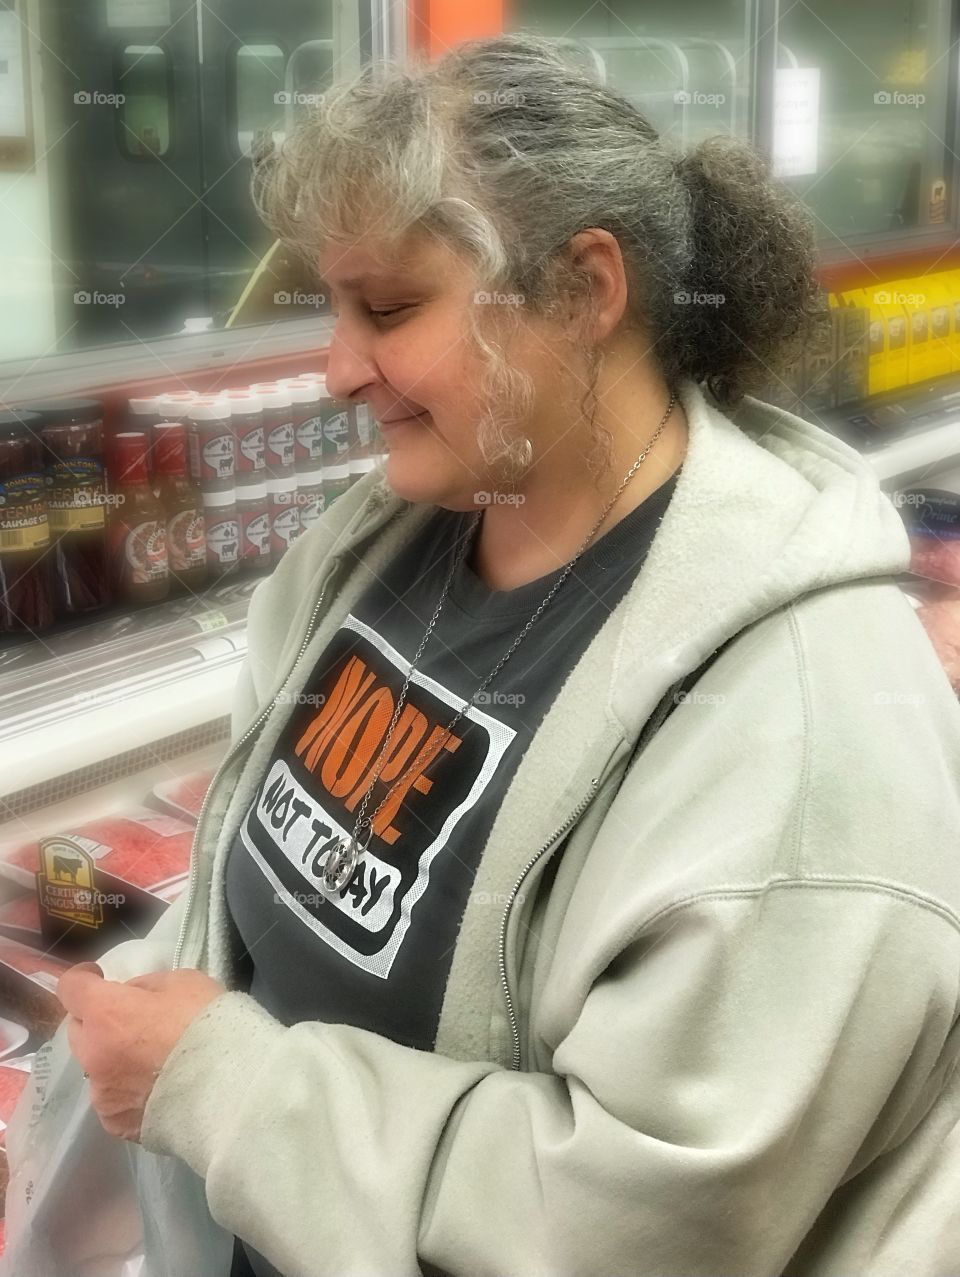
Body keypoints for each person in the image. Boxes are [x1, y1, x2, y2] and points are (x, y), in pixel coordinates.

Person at [40, 31, 960, 1277]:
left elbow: (640, 1227)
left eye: (392, 307)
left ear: (584, 290)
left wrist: (219, 1082)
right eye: (333, 306)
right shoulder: (385, 541)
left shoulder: (805, 733)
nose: (337, 369)